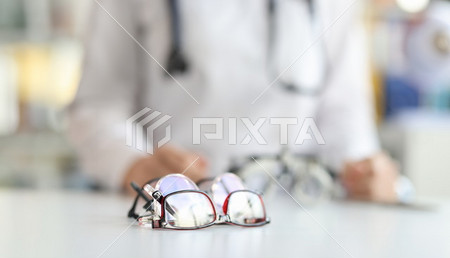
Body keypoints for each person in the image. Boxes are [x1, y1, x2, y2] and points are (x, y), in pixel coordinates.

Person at [69, 0, 399, 203]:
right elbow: (98, 103)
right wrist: (134, 164)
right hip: (177, 210)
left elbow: (345, 117)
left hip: (298, 210)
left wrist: (365, 173)